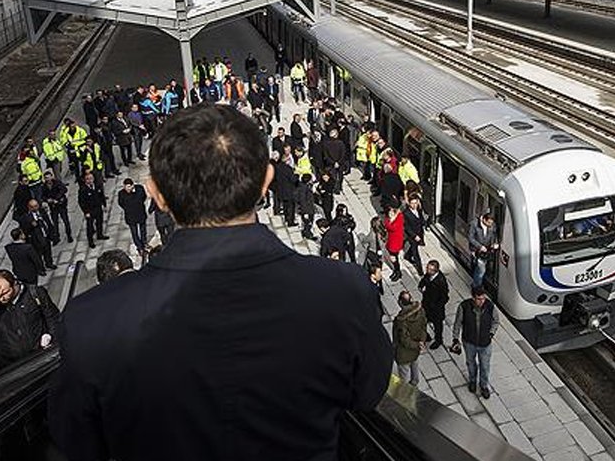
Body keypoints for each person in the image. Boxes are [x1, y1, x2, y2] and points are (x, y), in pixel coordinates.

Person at [50, 104, 392, 461]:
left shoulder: (91, 321)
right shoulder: (344, 293)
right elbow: (367, 394)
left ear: (157, 194)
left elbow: (78, 441)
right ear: (266, 182)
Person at [0, 269, 60, 368]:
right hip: (13, 365)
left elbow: (53, 317)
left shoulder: (35, 293)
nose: (1, 298)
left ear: (15, 285)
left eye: (5, 292)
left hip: (41, 354)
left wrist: (52, 337)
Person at [452, 286, 499, 399]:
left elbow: (496, 321)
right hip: (469, 342)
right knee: (471, 363)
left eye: (483, 298)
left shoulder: (490, 306)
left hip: (485, 343)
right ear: (473, 298)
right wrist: (455, 339)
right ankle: (472, 381)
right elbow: (457, 323)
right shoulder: (464, 306)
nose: (482, 301)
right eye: (479, 299)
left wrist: (491, 334)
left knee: (485, 366)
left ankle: (484, 386)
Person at [392, 290, 428, 387]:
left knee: (403, 375)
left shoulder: (400, 320)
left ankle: (404, 390)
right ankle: (414, 383)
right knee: (414, 365)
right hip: (416, 349)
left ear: (400, 302)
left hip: (403, 353)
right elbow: (424, 328)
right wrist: (421, 342)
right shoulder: (420, 311)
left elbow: (403, 340)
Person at [418, 260, 449, 349]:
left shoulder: (441, 281)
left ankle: (438, 340)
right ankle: (426, 336)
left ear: (435, 271)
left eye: (430, 269)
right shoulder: (428, 275)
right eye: (427, 268)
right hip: (426, 304)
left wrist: (437, 306)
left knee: (437, 326)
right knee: (422, 321)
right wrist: (421, 287)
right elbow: (423, 280)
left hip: (436, 309)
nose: (427, 270)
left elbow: (445, 297)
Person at [118, 177, 150, 256]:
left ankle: (144, 243)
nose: (127, 189)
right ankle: (139, 247)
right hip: (130, 216)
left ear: (132, 185)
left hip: (140, 214)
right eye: (125, 187)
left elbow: (144, 197)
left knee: (143, 230)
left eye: (129, 186)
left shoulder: (139, 189)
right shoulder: (121, 193)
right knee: (134, 233)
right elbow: (121, 203)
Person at [77, 171, 108, 247]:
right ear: (85, 180)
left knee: (99, 222)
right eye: (87, 179)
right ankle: (90, 241)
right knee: (90, 227)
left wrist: (104, 205)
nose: (90, 180)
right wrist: (86, 212)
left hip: (98, 208)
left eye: (91, 178)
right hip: (90, 210)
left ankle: (100, 235)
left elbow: (102, 196)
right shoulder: (83, 190)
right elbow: (81, 202)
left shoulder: (97, 185)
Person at [469, 213, 500, 288]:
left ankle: (476, 283)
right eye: (488, 223)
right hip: (478, 250)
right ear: (483, 220)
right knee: (481, 270)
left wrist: (494, 243)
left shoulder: (492, 225)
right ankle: (477, 287)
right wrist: (480, 247)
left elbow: (494, 235)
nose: (490, 225)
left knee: (481, 268)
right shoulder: (474, 224)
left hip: (488, 250)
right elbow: (471, 238)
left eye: (491, 223)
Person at [43, 171, 73, 244]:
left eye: (49, 177)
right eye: (46, 178)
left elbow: (64, 190)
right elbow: (43, 196)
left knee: (65, 220)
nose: (48, 179)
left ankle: (69, 235)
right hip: (53, 207)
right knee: (55, 222)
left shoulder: (57, 183)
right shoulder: (43, 186)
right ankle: (57, 237)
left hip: (60, 204)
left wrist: (57, 198)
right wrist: (47, 200)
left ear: (52, 176)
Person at [402, 195, 426, 273]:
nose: (414, 205)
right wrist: (414, 236)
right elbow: (406, 227)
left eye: (416, 203)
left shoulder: (418, 209)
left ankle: (407, 256)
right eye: (412, 203)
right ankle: (420, 269)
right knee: (416, 253)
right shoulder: (406, 213)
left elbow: (421, 218)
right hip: (412, 236)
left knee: (413, 248)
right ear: (409, 203)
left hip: (419, 232)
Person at [382, 205, 405, 282]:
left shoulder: (400, 217)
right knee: (393, 258)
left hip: (396, 242)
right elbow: (387, 225)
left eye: (392, 211)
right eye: (389, 212)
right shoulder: (387, 219)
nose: (391, 213)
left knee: (394, 258)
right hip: (390, 241)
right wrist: (392, 219)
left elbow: (393, 228)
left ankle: (398, 272)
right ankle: (396, 270)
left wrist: (393, 218)